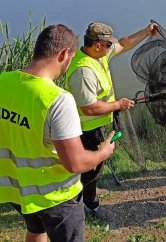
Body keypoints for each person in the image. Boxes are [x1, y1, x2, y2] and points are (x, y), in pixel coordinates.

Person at [0, 24, 116, 242]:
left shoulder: (2, 82)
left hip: (17, 189)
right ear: (64, 54)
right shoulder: (57, 99)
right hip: (55, 196)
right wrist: (103, 152)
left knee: (36, 231)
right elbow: (75, 163)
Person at [65, 22, 157, 221]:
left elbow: (123, 44)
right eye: (108, 45)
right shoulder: (83, 71)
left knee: (95, 166)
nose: (110, 48)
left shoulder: (99, 54)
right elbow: (89, 108)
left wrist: (145, 32)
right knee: (90, 169)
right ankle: (88, 206)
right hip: (86, 130)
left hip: (98, 124)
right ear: (97, 45)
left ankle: (82, 200)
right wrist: (118, 105)